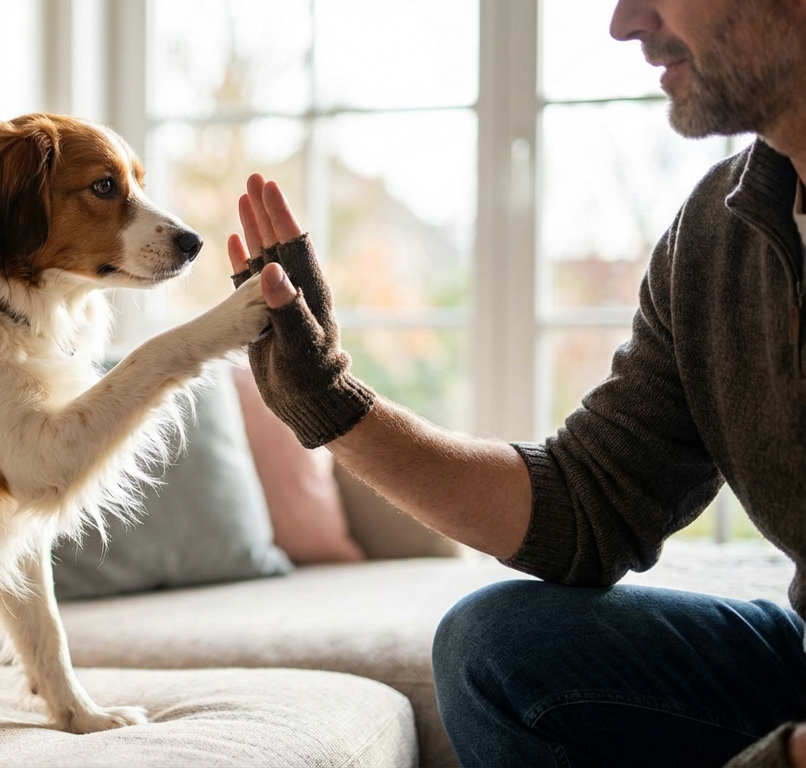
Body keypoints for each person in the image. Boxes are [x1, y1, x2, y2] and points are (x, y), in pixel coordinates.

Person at [227, 0, 806, 765]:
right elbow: (588, 502)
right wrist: (330, 407)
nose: (625, 23)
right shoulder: (717, 233)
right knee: (500, 649)